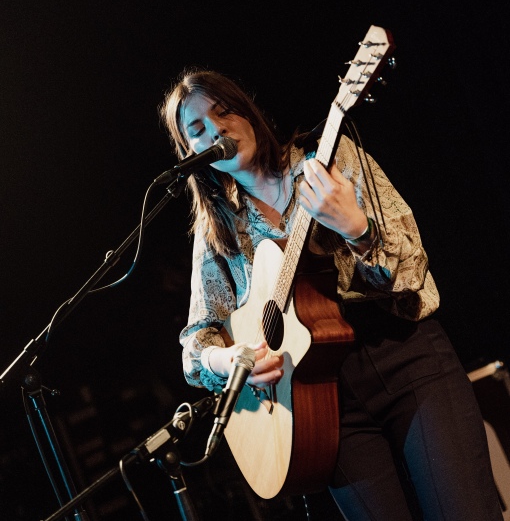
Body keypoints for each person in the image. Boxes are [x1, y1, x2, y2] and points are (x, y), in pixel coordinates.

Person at [158, 66, 502, 521]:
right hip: (319, 403)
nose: (216, 130)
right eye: (198, 129)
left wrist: (357, 230)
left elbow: (413, 267)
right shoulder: (218, 230)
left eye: (223, 112)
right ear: (191, 153)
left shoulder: (330, 161)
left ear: (247, 111)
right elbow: (195, 343)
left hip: (404, 360)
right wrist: (230, 358)